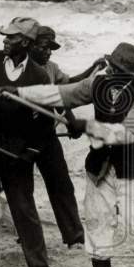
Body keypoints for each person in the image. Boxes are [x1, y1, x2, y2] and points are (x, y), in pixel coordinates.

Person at [7, 42, 134, 267]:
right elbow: (61, 93)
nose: (112, 73)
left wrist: (85, 125)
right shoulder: (97, 82)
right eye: (112, 67)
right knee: (97, 223)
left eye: (118, 71)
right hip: (99, 169)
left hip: (133, 171)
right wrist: (20, 93)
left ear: (130, 75)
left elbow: (126, 134)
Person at [0, 17, 56, 267]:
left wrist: (31, 152)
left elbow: (45, 124)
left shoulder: (39, 76)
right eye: (5, 36)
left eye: (11, 37)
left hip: (17, 153)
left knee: (24, 211)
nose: (5, 40)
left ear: (26, 43)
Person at [25, 24, 86, 249]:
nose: (48, 51)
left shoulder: (51, 68)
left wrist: (71, 121)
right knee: (21, 189)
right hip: (21, 136)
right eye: (44, 46)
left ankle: (74, 236)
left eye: (51, 47)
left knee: (62, 184)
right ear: (30, 45)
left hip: (47, 134)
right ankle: (26, 235)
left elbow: (63, 95)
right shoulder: (21, 69)